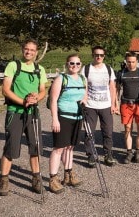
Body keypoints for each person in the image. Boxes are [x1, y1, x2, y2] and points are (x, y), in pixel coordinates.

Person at [0, 38, 48, 196]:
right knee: (11, 147)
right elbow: (6, 90)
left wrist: (36, 99)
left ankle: (35, 178)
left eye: (32, 50)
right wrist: (23, 102)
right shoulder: (14, 65)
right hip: (16, 111)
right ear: (22, 49)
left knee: (35, 146)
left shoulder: (40, 69)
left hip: (33, 113)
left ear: (36, 52)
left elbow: (43, 90)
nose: (29, 52)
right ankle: (4, 179)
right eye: (27, 49)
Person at [48, 54, 87, 194]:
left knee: (70, 147)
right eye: (72, 63)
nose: (74, 66)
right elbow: (53, 100)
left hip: (77, 117)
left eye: (77, 64)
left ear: (81, 64)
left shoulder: (83, 79)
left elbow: (85, 95)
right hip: (63, 117)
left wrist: (84, 101)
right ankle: (53, 178)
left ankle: (68, 174)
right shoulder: (61, 79)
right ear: (67, 64)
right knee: (58, 148)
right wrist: (55, 119)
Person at [81, 46, 118, 167]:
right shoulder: (86, 69)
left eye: (101, 55)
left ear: (104, 56)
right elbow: (83, 86)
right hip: (90, 105)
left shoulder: (108, 69)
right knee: (89, 132)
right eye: (96, 55)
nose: (99, 57)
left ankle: (108, 155)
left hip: (106, 105)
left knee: (108, 131)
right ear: (92, 55)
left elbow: (112, 87)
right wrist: (84, 100)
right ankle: (91, 156)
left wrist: (113, 104)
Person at [116, 52, 139, 164]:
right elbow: (117, 89)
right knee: (128, 129)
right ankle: (129, 152)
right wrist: (115, 103)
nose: (131, 64)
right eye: (129, 61)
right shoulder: (121, 73)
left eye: (133, 62)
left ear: (137, 62)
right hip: (125, 104)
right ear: (126, 61)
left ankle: (137, 152)